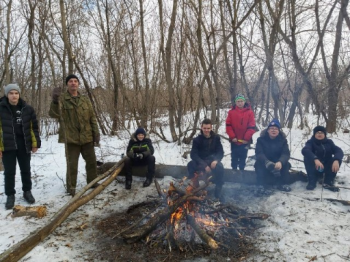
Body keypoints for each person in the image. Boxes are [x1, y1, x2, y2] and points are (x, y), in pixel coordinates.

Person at [49, 74, 100, 196]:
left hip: (87, 137)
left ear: (78, 84)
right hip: (71, 139)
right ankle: (71, 187)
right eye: (71, 81)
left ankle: (92, 182)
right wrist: (55, 101)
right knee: (72, 165)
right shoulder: (62, 99)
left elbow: (92, 117)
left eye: (75, 81)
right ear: (67, 84)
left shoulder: (85, 100)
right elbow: (53, 114)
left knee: (92, 162)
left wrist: (96, 133)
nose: (73, 83)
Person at [0, 83, 41, 209]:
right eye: (11, 93)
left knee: (26, 169)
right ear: (7, 95)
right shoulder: (1, 108)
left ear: (19, 94)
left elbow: (34, 127)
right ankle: (10, 195)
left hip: (24, 144)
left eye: (16, 93)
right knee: (9, 172)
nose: (14, 96)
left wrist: (36, 143)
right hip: (8, 145)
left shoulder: (27, 108)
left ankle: (27, 191)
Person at [187, 119, 224, 198]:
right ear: (201, 128)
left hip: (212, 161)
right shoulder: (197, 140)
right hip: (201, 161)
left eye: (208, 128)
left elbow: (220, 152)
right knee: (190, 164)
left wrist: (216, 160)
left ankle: (218, 189)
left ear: (211, 128)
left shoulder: (216, 138)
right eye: (204, 128)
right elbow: (193, 154)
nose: (206, 130)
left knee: (220, 167)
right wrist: (204, 165)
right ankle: (195, 186)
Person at [302, 126, 343, 192]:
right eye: (317, 132)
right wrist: (315, 159)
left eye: (321, 133)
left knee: (336, 159)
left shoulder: (329, 142)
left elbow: (338, 151)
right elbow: (305, 150)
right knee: (307, 157)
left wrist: (337, 160)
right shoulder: (310, 142)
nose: (319, 134)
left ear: (325, 134)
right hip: (315, 168)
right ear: (314, 134)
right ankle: (312, 181)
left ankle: (328, 182)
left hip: (326, 168)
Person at [254, 119, 291, 192]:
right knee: (258, 164)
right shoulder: (261, 140)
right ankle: (260, 185)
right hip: (265, 162)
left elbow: (286, 153)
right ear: (268, 130)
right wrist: (266, 161)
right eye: (271, 128)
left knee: (286, 164)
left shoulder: (283, 140)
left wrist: (280, 162)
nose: (273, 130)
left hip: (278, 162)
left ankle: (283, 183)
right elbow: (259, 153)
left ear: (278, 131)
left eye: (276, 129)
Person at [226, 93, 256, 171]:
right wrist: (232, 137)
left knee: (243, 157)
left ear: (244, 102)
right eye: (238, 101)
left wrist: (246, 138)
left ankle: (242, 171)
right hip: (234, 140)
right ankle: (234, 171)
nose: (240, 103)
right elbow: (228, 126)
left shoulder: (249, 112)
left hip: (245, 140)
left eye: (241, 101)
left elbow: (252, 126)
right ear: (236, 102)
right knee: (234, 157)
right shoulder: (231, 112)